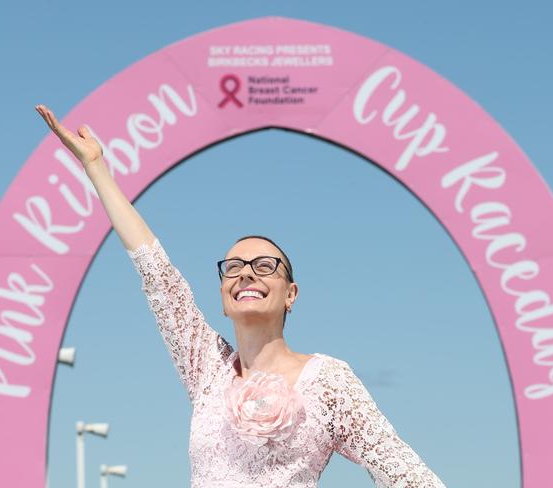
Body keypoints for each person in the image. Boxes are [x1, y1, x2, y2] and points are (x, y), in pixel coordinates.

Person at [36, 104, 448, 488]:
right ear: (222, 294)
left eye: (265, 265)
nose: (246, 273)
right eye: (233, 267)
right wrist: (96, 168)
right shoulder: (207, 367)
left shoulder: (329, 381)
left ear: (291, 294)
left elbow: (405, 472)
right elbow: (157, 272)